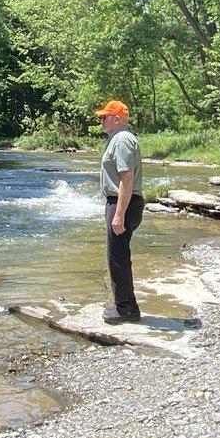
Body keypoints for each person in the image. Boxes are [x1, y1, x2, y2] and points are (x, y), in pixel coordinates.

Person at [94, 99, 144, 324]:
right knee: (117, 255)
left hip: (123, 203)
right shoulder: (118, 138)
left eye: (104, 117)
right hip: (122, 202)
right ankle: (126, 306)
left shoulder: (122, 139)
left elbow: (127, 178)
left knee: (117, 257)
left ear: (117, 118)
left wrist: (119, 213)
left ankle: (126, 309)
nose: (101, 120)